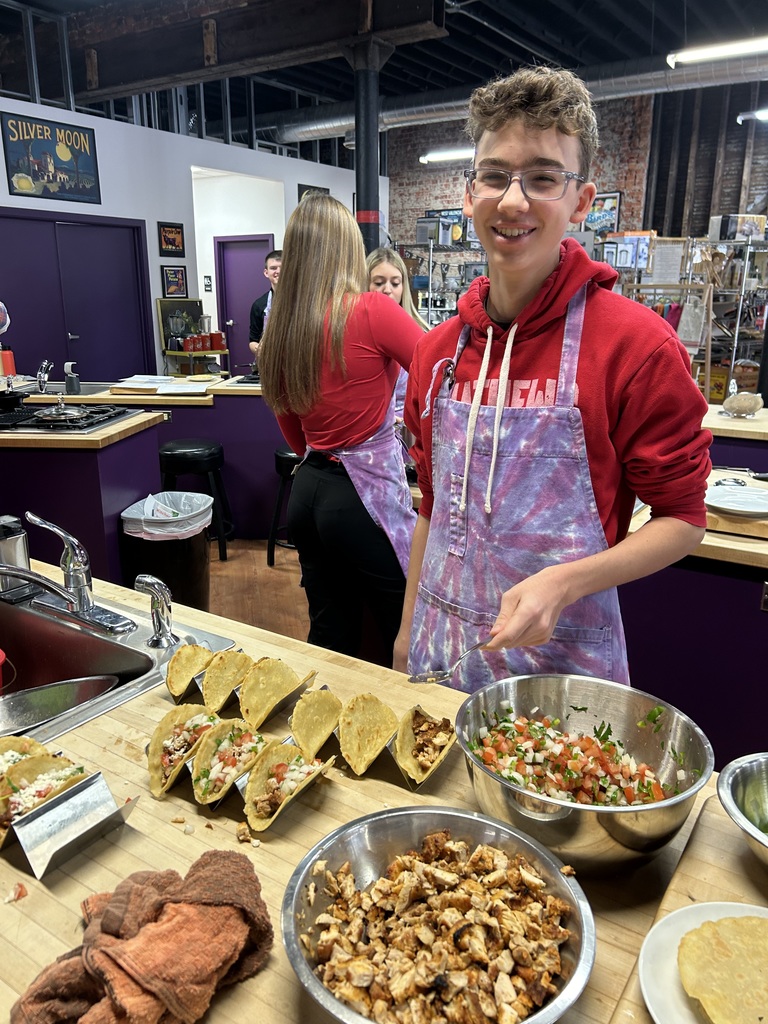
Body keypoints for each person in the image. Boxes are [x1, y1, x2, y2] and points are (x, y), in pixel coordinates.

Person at [394, 65, 712, 691]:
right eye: (494, 176)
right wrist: (407, 632)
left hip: (565, 677)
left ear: (581, 201)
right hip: (442, 655)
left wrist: (566, 581)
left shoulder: (634, 347)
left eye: (543, 179)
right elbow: (431, 507)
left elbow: (684, 519)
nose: (513, 202)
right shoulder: (437, 352)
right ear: (469, 192)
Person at [259, 194, 424, 664]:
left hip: (308, 494)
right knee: (403, 626)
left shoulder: (283, 329)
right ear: (347, 250)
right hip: (360, 499)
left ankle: (325, 730)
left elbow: (294, 434)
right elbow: (439, 374)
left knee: (331, 635)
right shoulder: (372, 310)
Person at [248, 249, 282, 358]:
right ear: (266, 273)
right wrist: (259, 348)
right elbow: (253, 341)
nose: (278, 271)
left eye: (282, 267)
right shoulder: (259, 305)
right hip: (270, 363)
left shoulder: (301, 302)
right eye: (273, 268)